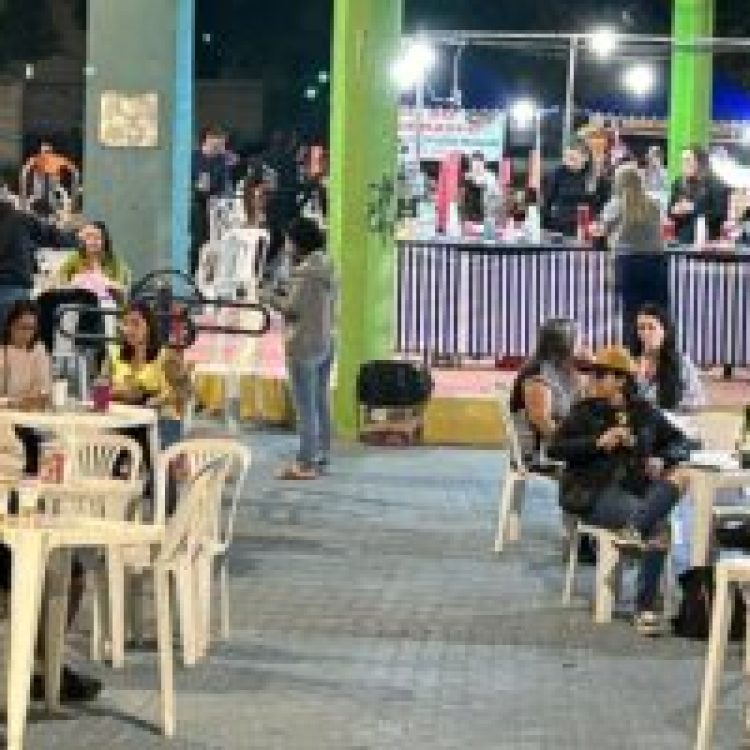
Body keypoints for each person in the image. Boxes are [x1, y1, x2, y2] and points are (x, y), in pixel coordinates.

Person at [548, 346, 691, 635]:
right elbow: (555, 449)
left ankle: (634, 529)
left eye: (601, 375)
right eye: (593, 374)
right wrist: (597, 443)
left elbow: (682, 443)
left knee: (681, 476)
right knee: (659, 526)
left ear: (621, 380)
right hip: (593, 492)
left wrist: (662, 458)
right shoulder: (583, 411)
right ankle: (645, 607)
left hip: (635, 490)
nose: (593, 380)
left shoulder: (645, 412)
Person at [0, 299, 101, 700]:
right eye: (20, 327)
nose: (26, 333)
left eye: (31, 327)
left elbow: (43, 392)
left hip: (19, 487)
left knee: (68, 570)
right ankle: (34, 666)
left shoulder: (39, 353)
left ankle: (46, 663)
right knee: (51, 571)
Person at [259, 217, 337, 480]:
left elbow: (291, 308)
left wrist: (267, 296)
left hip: (303, 345)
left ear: (299, 242)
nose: (287, 246)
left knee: (305, 408)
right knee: (321, 401)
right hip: (326, 340)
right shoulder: (327, 266)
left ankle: (305, 462)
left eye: (289, 241)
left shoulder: (305, 274)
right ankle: (322, 454)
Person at [105, 303, 190, 472]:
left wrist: (162, 398)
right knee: (105, 443)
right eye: (125, 324)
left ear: (149, 326)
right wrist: (115, 391)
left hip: (161, 418)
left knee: (143, 440)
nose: (129, 330)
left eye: (136, 324)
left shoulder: (165, 356)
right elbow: (100, 388)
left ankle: (160, 483)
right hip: (123, 418)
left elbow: (186, 390)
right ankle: (121, 480)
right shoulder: (115, 354)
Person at [509, 318, 583, 459]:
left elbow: (583, 404)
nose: (582, 345)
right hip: (540, 451)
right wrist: (575, 446)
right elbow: (542, 422)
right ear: (565, 344)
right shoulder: (538, 375)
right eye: (578, 341)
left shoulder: (565, 371)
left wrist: (593, 367)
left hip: (558, 442)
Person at [0, 196, 76, 329]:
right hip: (14, 286)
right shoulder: (19, 218)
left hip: (13, 286)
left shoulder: (19, 218)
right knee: (14, 336)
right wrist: (78, 240)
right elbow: (52, 236)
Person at [632, 304, 705, 412]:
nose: (645, 333)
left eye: (651, 328)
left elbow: (697, 400)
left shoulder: (681, 362)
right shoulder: (630, 361)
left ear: (665, 331)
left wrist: (665, 407)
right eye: (641, 328)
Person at [668, 145, 728, 244]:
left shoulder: (716, 184)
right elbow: (670, 211)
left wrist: (693, 208)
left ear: (700, 162)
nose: (684, 164)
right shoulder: (678, 183)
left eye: (688, 160)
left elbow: (720, 214)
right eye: (683, 161)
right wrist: (675, 210)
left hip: (708, 243)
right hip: (682, 241)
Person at [58, 220, 129, 301]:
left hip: (106, 305)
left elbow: (123, 292)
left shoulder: (115, 262)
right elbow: (59, 279)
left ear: (104, 240)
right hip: (78, 303)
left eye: (97, 238)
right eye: (88, 237)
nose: (92, 242)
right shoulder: (76, 258)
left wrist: (106, 283)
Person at [598, 166, 663, 253]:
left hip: (624, 256)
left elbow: (602, 232)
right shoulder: (654, 204)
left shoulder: (614, 205)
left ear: (618, 184)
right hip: (655, 256)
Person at [544, 140, 600, 237]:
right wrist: (545, 227)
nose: (567, 162)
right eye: (566, 158)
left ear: (585, 158)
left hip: (586, 227)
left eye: (572, 158)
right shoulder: (557, 174)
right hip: (559, 226)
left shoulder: (595, 176)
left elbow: (601, 205)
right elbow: (547, 201)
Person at [462, 152, 499, 225]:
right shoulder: (467, 176)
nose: (477, 167)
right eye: (474, 164)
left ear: (484, 164)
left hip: (487, 213)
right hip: (470, 215)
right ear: (471, 164)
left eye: (479, 164)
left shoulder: (490, 177)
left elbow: (495, 195)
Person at [643, 145, 669, 215]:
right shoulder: (646, 173)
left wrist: (659, 167)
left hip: (661, 204)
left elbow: (666, 190)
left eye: (653, 157)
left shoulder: (665, 173)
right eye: (649, 158)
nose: (650, 160)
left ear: (660, 158)